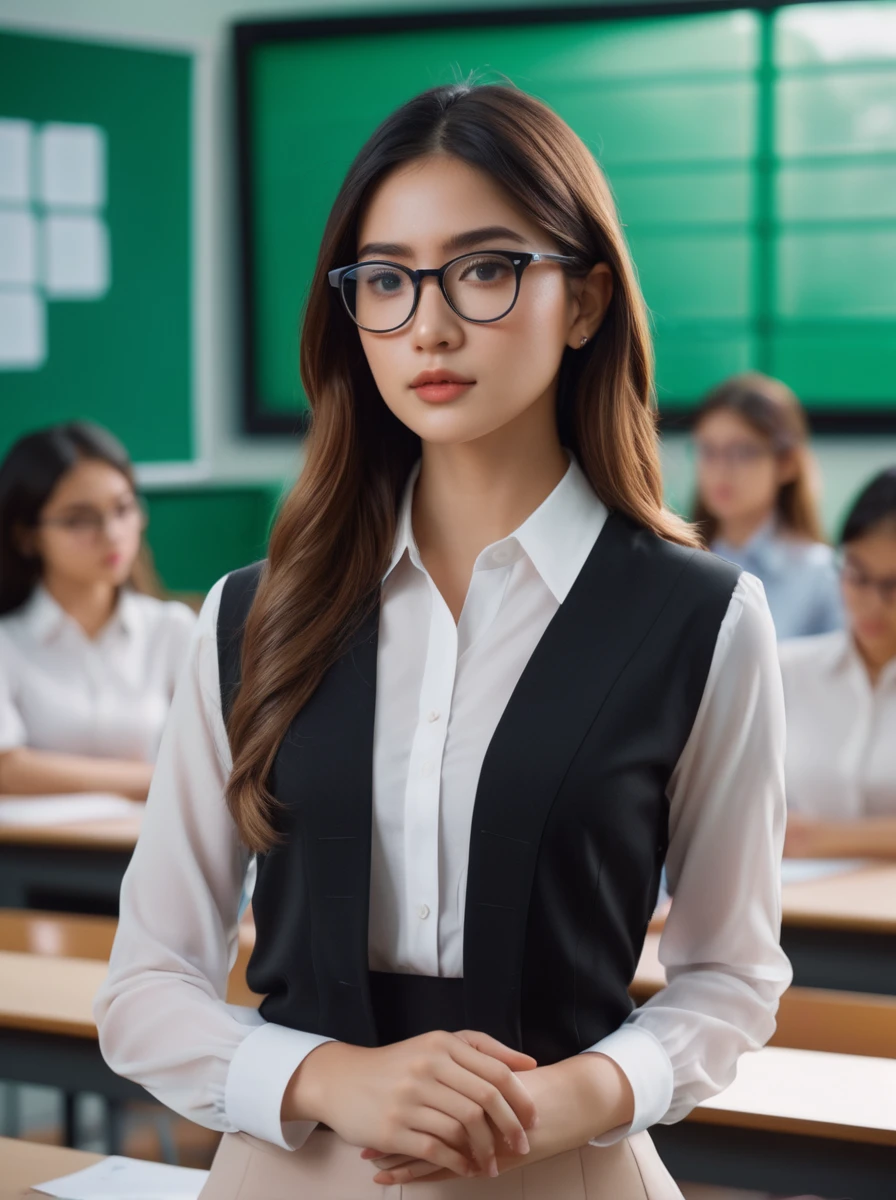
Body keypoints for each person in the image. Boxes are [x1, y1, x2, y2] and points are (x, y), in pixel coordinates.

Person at [95, 83, 790, 1199]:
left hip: (562, 1169)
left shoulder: (702, 618)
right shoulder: (244, 617)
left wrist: (566, 1097)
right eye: (384, 279)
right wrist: (325, 1075)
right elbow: (143, 987)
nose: (427, 324)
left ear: (584, 300)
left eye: (482, 268)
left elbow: (731, 978)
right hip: (291, 1173)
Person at [0, 421, 195, 800]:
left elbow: (215, 759)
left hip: (146, 850)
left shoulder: (172, 629)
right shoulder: (5, 642)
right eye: (79, 519)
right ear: (27, 536)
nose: (112, 533)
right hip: (34, 854)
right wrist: (159, 782)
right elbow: (7, 770)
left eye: (124, 509)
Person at [781, 468, 896, 859]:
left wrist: (818, 839)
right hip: (799, 907)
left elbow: (787, 834)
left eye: (893, 585)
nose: (872, 602)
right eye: (857, 576)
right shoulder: (788, 669)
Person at [691, 372, 843, 639]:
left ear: (786, 463)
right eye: (708, 450)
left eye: (743, 452)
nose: (721, 469)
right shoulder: (681, 562)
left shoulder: (819, 575)